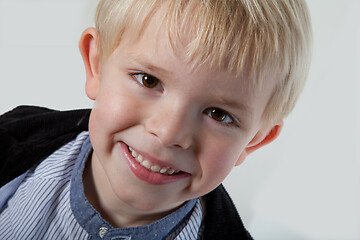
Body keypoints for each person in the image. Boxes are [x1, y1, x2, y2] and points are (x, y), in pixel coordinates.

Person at [0, 0, 312, 239]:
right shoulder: (14, 142)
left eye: (219, 114)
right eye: (149, 80)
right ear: (97, 64)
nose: (167, 132)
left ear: (255, 140)